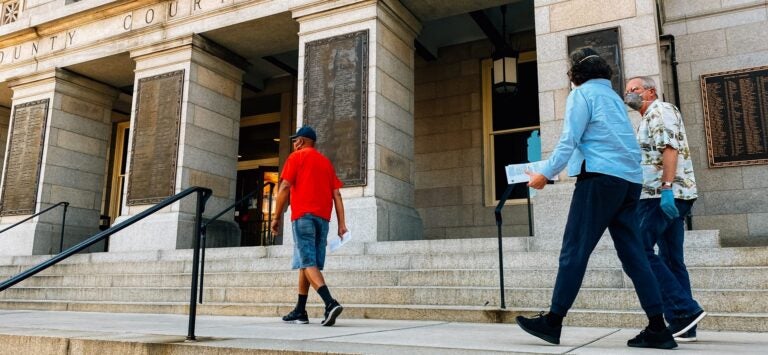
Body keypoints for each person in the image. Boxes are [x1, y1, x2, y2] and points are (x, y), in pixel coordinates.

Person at [516, 48, 677, 349]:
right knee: (634, 255)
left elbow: (569, 140)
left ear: (575, 72)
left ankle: (553, 321)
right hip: (629, 182)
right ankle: (658, 328)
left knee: (574, 250)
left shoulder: (582, 95)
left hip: (599, 181)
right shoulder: (615, 99)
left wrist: (545, 173)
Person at [625, 76, 705, 342]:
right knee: (671, 258)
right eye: (627, 91)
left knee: (639, 250)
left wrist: (667, 188)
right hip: (664, 195)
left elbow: (669, 148)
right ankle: (685, 325)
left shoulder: (661, 110)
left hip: (660, 195)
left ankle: (684, 311)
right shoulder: (648, 118)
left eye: (634, 90)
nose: (630, 95)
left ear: (650, 91)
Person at [271, 125, 348, 326]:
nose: (294, 143)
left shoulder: (296, 158)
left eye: (295, 140)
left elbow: (285, 187)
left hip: (303, 217)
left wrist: (276, 216)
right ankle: (300, 310)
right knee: (305, 261)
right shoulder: (326, 163)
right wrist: (342, 224)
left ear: (302, 141)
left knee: (307, 262)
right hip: (323, 220)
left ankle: (330, 303)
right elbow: (337, 195)